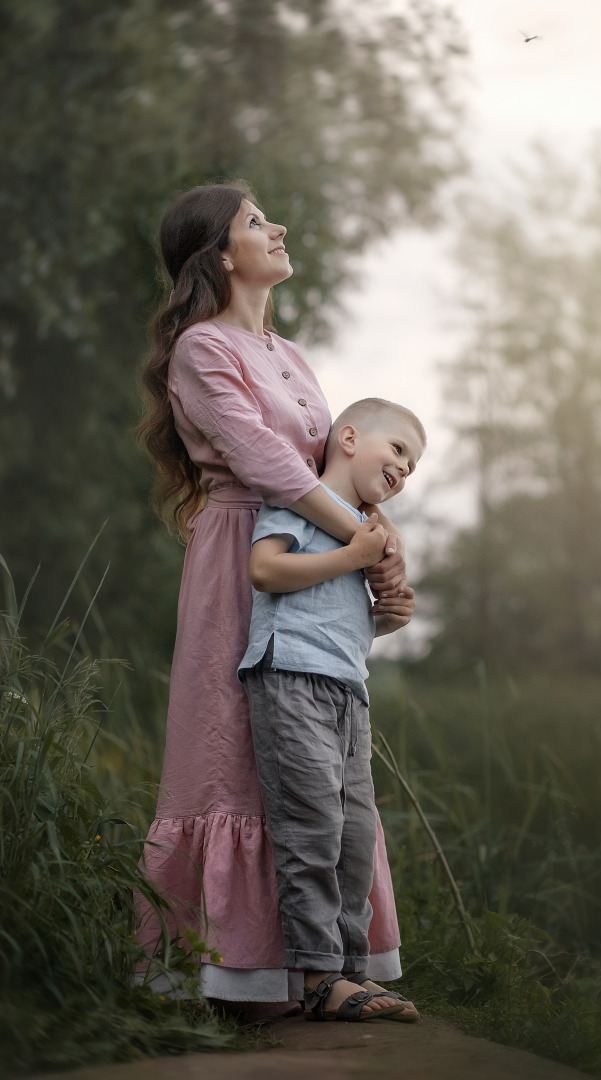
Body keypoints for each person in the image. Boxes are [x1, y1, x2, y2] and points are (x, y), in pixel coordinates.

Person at [135, 180, 416, 1020]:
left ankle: (314, 969)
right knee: (229, 758)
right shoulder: (201, 348)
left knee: (308, 780)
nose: (278, 227)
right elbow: (270, 467)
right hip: (239, 561)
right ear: (221, 254)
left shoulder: (290, 355)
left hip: (314, 567)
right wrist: (363, 550)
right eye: (257, 222)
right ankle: (234, 973)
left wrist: (382, 554)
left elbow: (335, 470)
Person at [238, 397, 425, 1022]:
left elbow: (334, 619)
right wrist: (352, 558)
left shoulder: (364, 532)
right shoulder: (300, 500)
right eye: (398, 449)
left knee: (354, 836)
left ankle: (350, 973)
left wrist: (384, 621)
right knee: (312, 826)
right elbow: (266, 570)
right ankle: (317, 977)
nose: (404, 469)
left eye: (413, 467)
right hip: (289, 676)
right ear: (348, 437)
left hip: (348, 689)